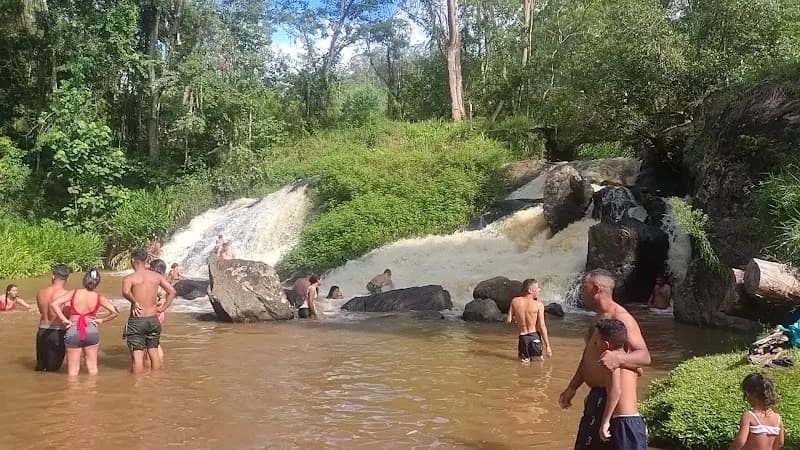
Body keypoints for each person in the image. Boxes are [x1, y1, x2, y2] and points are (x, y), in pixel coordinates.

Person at [559, 269, 651, 450]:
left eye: (583, 287)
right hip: (597, 396)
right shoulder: (598, 319)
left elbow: (644, 356)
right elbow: (588, 357)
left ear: (596, 289)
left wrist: (618, 357)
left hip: (614, 399)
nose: (580, 292)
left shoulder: (622, 318)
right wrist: (572, 387)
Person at [50, 270, 119, 376]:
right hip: (91, 329)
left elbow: (54, 304)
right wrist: (102, 320)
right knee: (92, 369)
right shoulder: (99, 297)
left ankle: (73, 392)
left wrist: (64, 319)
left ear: (84, 280)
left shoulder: (74, 293)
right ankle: (92, 391)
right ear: (97, 282)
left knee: (73, 372)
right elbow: (115, 312)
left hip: (74, 328)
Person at [122, 248, 176, 374]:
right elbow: (172, 292)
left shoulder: (130, 278)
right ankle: (155, 382)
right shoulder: (156, 276)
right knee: (153, 352)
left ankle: (137, 387)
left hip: (137, 320)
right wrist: (163, 308)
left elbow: (125, 292)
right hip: (153, 320)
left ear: (132, 260)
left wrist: (134, 301)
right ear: (146, 260)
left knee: (137, 356)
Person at [596, 319, 647, 450]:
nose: (595, 344)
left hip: (622, 422)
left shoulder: (610, 361)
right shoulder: (627, 360)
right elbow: (640, 372)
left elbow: (615, 391)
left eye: (597, 341)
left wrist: (605, 421)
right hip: (636, 420)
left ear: (607, 344)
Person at [729, 372, 784, 450]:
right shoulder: (777, 418)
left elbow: (740, 441)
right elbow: (780, 442)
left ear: (751, 394)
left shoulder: (749, 416)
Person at [35, 265, 71, 372]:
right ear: (67, 278)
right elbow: (67, 315)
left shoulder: (40, 292)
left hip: (41, 331)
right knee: (53, 371)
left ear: (53, 276)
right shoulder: (66, 295)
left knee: (40, 368)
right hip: (57, 332)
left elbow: (42, 311)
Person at [507, 278, 552, 362]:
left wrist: (518, 320)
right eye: (537, 288)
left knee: (524, 365)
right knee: (538, 365)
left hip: (523, 338)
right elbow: (542, 326)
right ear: (530, 290)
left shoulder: (514, 301)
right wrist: (548, 346)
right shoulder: (539, 305)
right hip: (534, 337)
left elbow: (509, 320)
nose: (539, 290)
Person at [149, 259, 169, 365]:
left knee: (149, 345)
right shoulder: (163, 282)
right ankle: (158, 364)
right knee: (155, 342)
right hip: (160, 315)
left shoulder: (156, 284)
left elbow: (161, 301)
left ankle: (151, 370)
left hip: (153, 315)